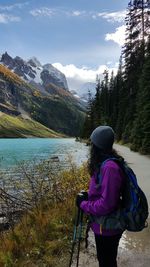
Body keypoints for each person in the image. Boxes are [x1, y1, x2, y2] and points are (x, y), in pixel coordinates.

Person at [76, 125, 125, 267]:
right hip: (104, 225)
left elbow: (107, 204)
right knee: (106, 260)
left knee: (106, 262)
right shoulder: (105, 163)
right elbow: (102, 191)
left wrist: (83, 204)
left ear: (97, 146)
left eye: (92, 143)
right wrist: (88, 195)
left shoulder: (109, 168)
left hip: (108, 228)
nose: (91, 146)